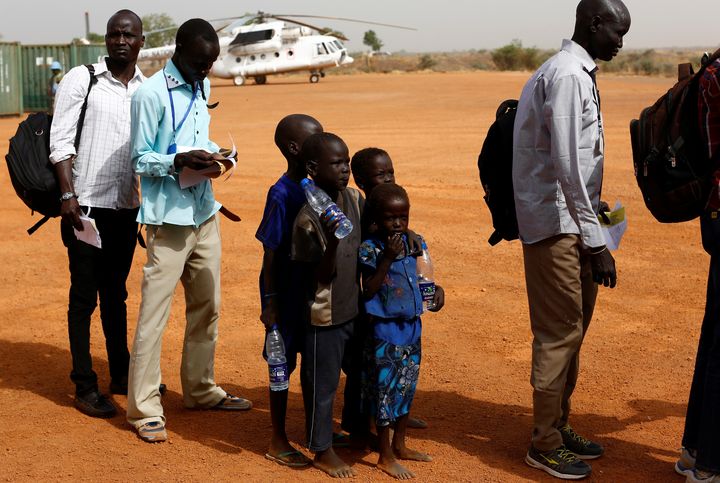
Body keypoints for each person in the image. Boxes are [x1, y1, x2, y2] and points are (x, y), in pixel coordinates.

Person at [512, 0, 630, 479]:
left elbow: (575, 163)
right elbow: (564, 162)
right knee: (559, 333)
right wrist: (596, 241)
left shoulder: (577, 72)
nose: (621, 43)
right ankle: (542, 444)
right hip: (557, 227)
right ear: (593, 23)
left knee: (573, 328)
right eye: (617, 33)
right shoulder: (567, 76)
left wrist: (595, 216)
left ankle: (558, 425)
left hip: (574, 221)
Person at [126, 18, 251, 444]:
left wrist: (216, 156)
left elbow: (194, 135)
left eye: (211, 64)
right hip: (166, 220)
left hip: (203, 213)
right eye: (201, 63)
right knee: (153, 317)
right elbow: (139, 159)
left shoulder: (202, 85)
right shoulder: (150, 95)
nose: (206, 71)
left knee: (208, 306)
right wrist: (177, 162)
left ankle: (199, 389)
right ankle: (143, 408)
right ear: (178, 51)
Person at [48, 10, 145, 418]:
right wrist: (68, 195)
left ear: (140, 41)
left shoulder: (146, 88)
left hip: (124, 209)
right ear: (106, 40)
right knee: (83, 296)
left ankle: (120, 374)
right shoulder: (82, 78)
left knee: (117, 294)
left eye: (127, 35)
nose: (120, 40)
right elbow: (60, 140)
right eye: (113, 34)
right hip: (84, 209)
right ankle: (84, 384)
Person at [358, 183, 444, 479]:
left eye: (403, 217)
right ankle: (384, 454)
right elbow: (368, 291)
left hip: (411, 327)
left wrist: (436, 293)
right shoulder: (370, 248)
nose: (398, 224)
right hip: (384, 330)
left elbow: (423, 277)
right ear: (376, 219)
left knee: (406, 387)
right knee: (383, 393)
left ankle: (401, 443)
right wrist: (387, 258)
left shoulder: (414, 242)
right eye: (390, 218)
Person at [291, 132, 363, 478]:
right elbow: (319, 274)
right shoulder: (308, 217)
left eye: (346, 162)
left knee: (361, 371)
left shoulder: (353, 198)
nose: (345, 169)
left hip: (352, 307)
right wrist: (334, 241)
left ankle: (357, 428)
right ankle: (321, 448)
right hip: (324, 314)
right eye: (336, 164)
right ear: (312, 168)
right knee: (322, 383)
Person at [351, 147, 436, 431]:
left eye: (391, 172)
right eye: (380, 174)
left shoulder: (394, 215)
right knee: (364, 370)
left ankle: (397, 413)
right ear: (362, 182)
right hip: (372, 308)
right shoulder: (363, 215)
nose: (388, 179)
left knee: (398, 371)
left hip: (396, 310)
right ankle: (362, 423)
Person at [257, 114, 323, 467]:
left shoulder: (319, 187)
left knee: (314, 358)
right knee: (283, 364)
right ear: (295, 148)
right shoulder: (281, 193)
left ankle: (318, 430)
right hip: (283, 292)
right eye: (316, 139)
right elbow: (269, 252)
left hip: (311, 291)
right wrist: (270, 303)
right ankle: (277, 438)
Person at [675, 55, 720, 483]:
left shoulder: (713, 69)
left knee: (715, 336)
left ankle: (695, 450)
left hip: (716, 214)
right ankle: (710, 465)